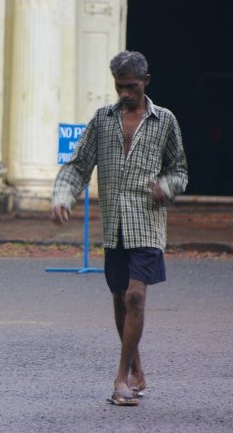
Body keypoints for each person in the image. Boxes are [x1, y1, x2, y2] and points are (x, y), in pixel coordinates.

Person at [50, 50, 188, 406]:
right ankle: (137, 367)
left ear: (146, 82)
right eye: (119, 86)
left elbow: (180, 171)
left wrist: (166, 188)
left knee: (136, 296)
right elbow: (77, 165)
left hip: (147, 224)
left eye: (131, 86)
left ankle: (120, 380)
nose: (125, 93)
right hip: (114, 226)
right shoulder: (102, 120)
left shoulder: (166, 121)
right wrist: (62, 197)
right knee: (119, 299)